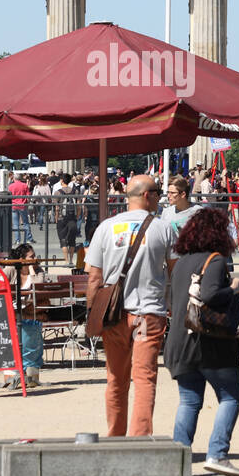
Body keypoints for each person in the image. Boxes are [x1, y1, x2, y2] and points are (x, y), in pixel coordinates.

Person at [85, 174, 174, 437]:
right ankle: (140, 439)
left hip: (114, 314)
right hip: (148, 313)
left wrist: (93, 314)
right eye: (158, 192)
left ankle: (115, 436)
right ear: (147, 195)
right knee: (145, 379)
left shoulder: (106, 227)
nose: (160, 197)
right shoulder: (162, 228)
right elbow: (176, 271)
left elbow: (94, 277)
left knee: (116, 379)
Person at [165, 207, 239, 476]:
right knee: (231, 395)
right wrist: (233, 289)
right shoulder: (215, 260)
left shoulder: (180, 263)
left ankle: (179, 459)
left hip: (179, 342)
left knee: (189, 402)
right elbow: (211, 294)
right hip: (208, 343)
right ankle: (218, 453)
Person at [2, 243, 44, 388]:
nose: (35, 258)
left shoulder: (37, 271)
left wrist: (32, 270)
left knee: (31, 334)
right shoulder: (11, 270)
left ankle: (31, 377)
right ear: (21, 259)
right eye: (31, 256)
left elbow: (39, 288)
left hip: (31, 312)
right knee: (13, 341)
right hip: (11, 312)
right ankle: (11, 376)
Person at [55, 174, 81, 266]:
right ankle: (71, 260)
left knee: (63, 240)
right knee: (72, 240)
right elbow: (78, 206)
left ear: (62, 181)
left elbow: (57, 208)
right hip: (72, 218)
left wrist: (56, 218)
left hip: (62, 218)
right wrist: (77, 217)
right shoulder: (75, 191)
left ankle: (66, 261)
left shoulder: (58, 192)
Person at [9, 172, 32, 244]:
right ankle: (29, 238)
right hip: (22, 205)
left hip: (13, 205)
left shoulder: (10, 186)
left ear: (14, 178)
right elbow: (28, 196)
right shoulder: (24, 185)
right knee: (25, 222)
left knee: (16, 224)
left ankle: (17, 239)